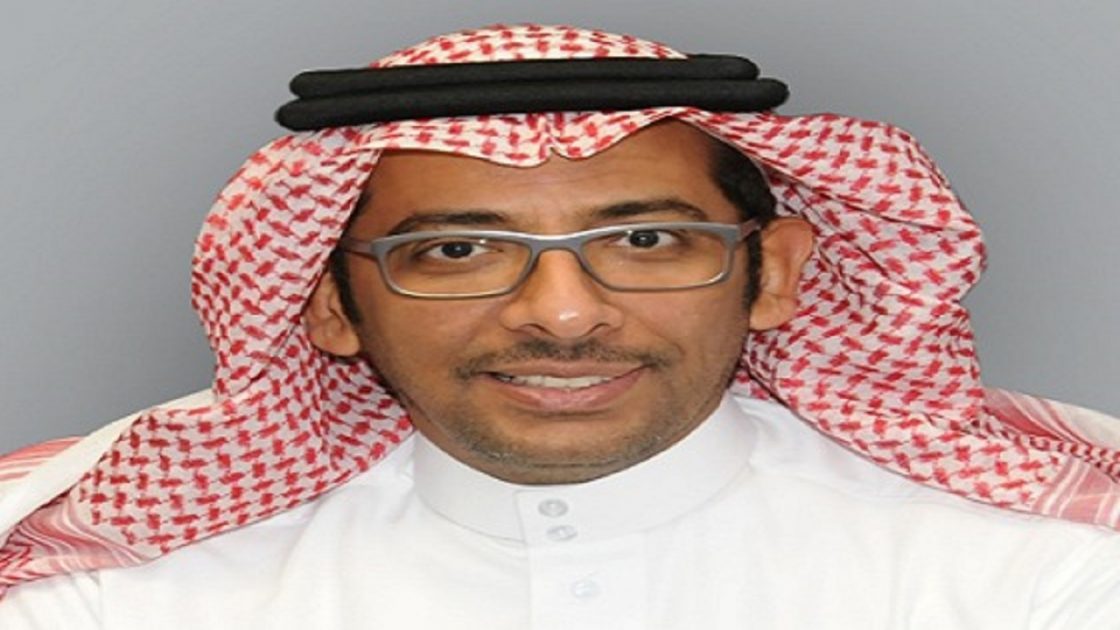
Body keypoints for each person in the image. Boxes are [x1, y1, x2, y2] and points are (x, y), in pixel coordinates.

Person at [2, 24, 1119, 629]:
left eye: (646, 241)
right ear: (327, 303)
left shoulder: (1042, 582)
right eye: (456, 251)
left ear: (773, 275)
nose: (563, 312)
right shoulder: (112, 602)